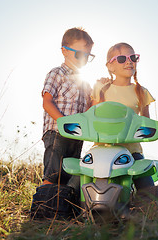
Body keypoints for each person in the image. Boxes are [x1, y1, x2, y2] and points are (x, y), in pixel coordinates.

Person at [92, 42, 155, 189]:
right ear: (110, 66)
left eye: (132, 57)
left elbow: (146, 123)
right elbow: (92, 117)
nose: (129, 62)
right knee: (78, 181)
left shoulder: (142, 92)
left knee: (147, 189)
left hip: (132, 151)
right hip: (102, 149)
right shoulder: (101, 88)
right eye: (122, 59)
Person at [41, 27, 94, 186]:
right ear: (65, 51)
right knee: (53, 174)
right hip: (57, 133)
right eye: (79, 54)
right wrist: (64, 122)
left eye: (87, 56)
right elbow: (47, 102)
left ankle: (63, 208)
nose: (83, 59)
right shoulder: (57, 73)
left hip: (76, 136)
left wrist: (100, 92)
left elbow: (88, 111)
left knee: (69, 175)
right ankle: (42, 208)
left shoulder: (85, 83)